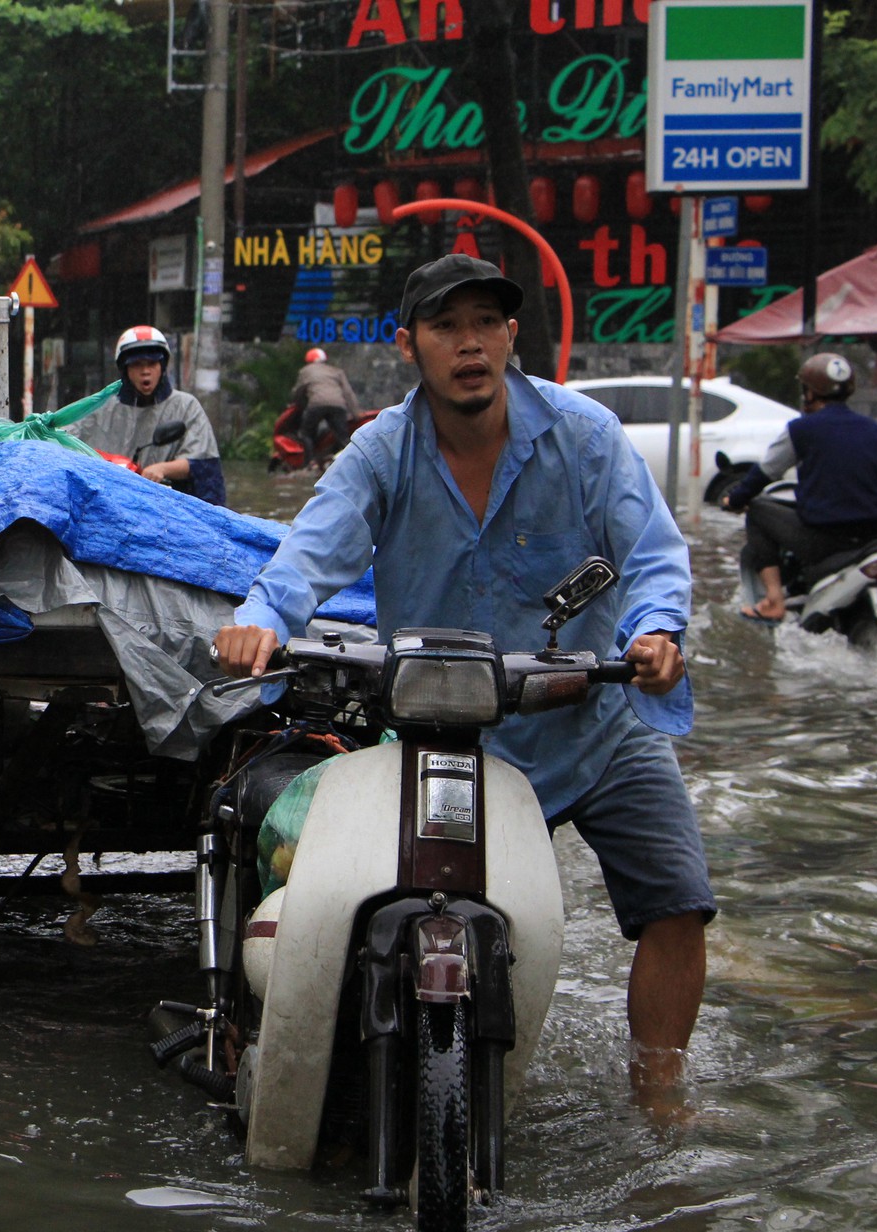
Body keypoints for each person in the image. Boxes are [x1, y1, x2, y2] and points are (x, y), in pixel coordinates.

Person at [212, 253, 709, 1109]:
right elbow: (308, 554)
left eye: (486, 323)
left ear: (512, 336)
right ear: (411, 346)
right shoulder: (380, 451)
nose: (470, 343)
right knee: (393, 909)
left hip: (593, 718)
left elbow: (654, 554)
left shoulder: (586, 436)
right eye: (447, 326)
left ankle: (659, 1088)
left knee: (678, 902)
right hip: (451, 732)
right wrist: (262, 617)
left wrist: (656, 630)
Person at [720, 353, 877, 621]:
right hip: (874, 538)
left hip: (825, 540)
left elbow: (765, 472)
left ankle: (774, 600)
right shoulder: (873, 429)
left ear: (810, 392)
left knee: (759, 509)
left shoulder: (802, 429)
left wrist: (736, 499)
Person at [71, 325, 226, 505]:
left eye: (152, 364)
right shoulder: (100, 408)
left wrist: (162, 469)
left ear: (162, 366)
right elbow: (65, 439)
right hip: (111, 503)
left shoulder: (186, 406)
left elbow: (202, 462)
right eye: (137, 365)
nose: (145, 371)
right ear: (125, 369)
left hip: (168, 505)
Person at [291, 346, 361, 465]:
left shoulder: (305, 371)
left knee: (306, 433)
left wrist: (297, 406)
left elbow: (298, 392)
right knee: (343, 437)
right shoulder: (336, 371)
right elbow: (348, 393)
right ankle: (351, 462)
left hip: (316, 405)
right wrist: (356, 414)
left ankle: (310, 463)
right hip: (338, 405)